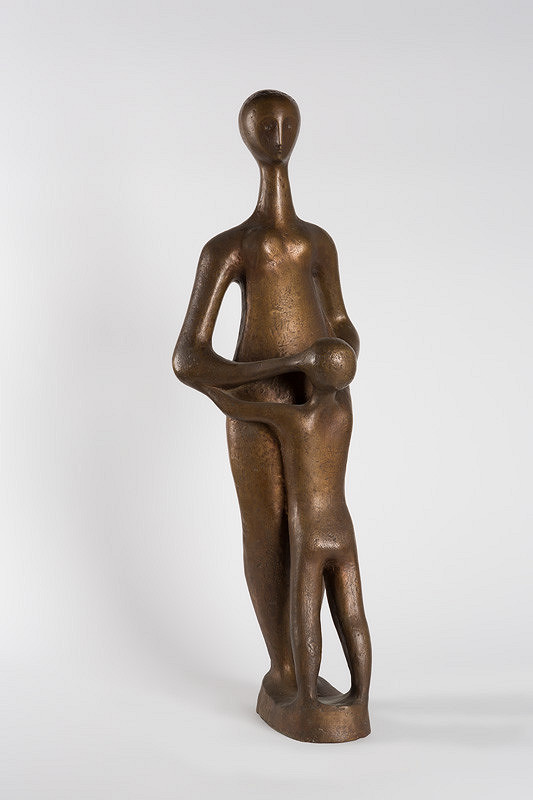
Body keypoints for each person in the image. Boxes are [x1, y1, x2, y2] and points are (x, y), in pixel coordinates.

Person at [173, 89, 360, 698]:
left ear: (298, 132)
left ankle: (313, 680)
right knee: (267, 527)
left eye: (285, 125)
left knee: (312, 529)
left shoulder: (317, 244)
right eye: (266, 126)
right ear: (248, 136)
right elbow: (188, 357)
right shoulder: (228, 248)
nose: (277, 136)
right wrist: (277, 368)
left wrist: (339, 361)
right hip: (257, 409)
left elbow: (342, 321)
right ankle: (285, 667)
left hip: (319, 398)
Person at [205, 338, 371, 709]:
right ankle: (359, 697)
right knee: (353, 615)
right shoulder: (344, 412)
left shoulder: (297, 418)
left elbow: (238, 407)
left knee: (305, 615)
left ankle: (306, 699)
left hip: (310, 534)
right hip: (342, 529)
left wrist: (215, 391)